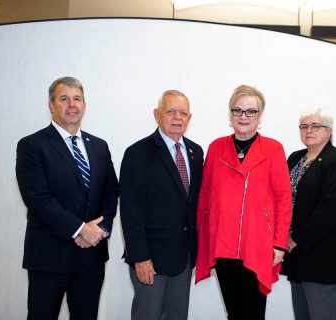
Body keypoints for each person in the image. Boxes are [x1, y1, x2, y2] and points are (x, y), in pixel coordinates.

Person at [15, 76, 119, 319]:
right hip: (49, 258)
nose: (72, 104)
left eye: (77, 98)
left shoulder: (99, 146)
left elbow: (111, 192)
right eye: (64, 99)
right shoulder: (32, 145)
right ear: (51, 105)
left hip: (90, 259)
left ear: (84, 104)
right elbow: (38, 199)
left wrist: (101, 228)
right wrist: (80, 229)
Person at [195, 84, 292, 319]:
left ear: (259, 117)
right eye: (237, 110)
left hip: (257, 244)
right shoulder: (216, 147)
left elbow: (283, 199)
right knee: (234, 312)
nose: (244, 116)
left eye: (251, 111)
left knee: (253, 313)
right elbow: (204, 196)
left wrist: (279, 243)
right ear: (230, 115)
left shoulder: (273, 149)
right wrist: (202, 236)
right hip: (222, 243)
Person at [119, 90, 203, 320]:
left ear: (189, 118)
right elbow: (130, 211)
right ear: (157, 115)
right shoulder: (137, 153)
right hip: (151, 259)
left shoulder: (196, 152)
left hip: (184, 257)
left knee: (177, 316)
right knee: (148, 315)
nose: (177, 117)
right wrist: (140, 257)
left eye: (183, 113)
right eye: (171, 111)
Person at [281, 108, 336, 320]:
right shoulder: (295, 158)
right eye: (304, 126)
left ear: (329, 131)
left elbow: (330, 210)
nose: (309, 130)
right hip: (298, 260)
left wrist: (295, 239)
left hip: (326, 261)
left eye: (315, 126)